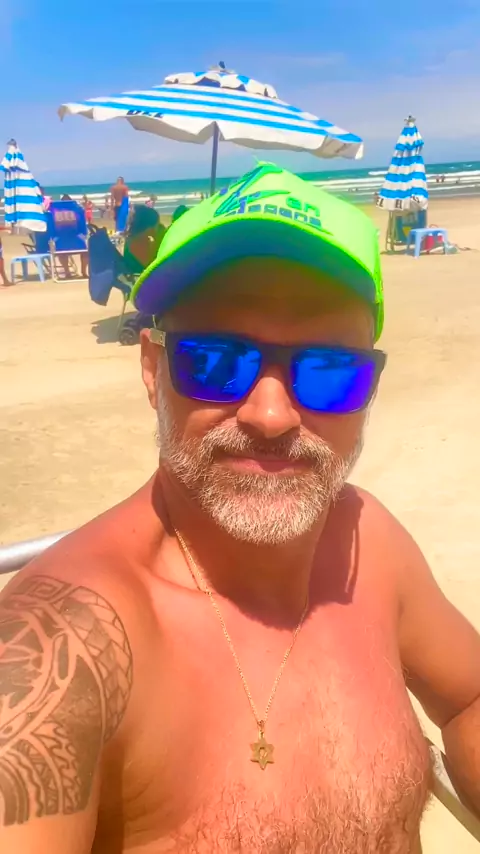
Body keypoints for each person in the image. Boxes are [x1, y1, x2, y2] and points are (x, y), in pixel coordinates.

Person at [1, 164, 479, 853]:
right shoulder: (65, 646)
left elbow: (468, 698)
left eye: (327, 370)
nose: (271, 415)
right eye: (216, 361)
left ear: (370, 389)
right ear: (151, 369)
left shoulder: (366, 539)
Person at [123, 203, 166, 275]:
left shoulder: (137, 239)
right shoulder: (137, 243)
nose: (160, 227)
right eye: (157, 225)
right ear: (149, 227)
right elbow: (153, 267)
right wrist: (159, 239)